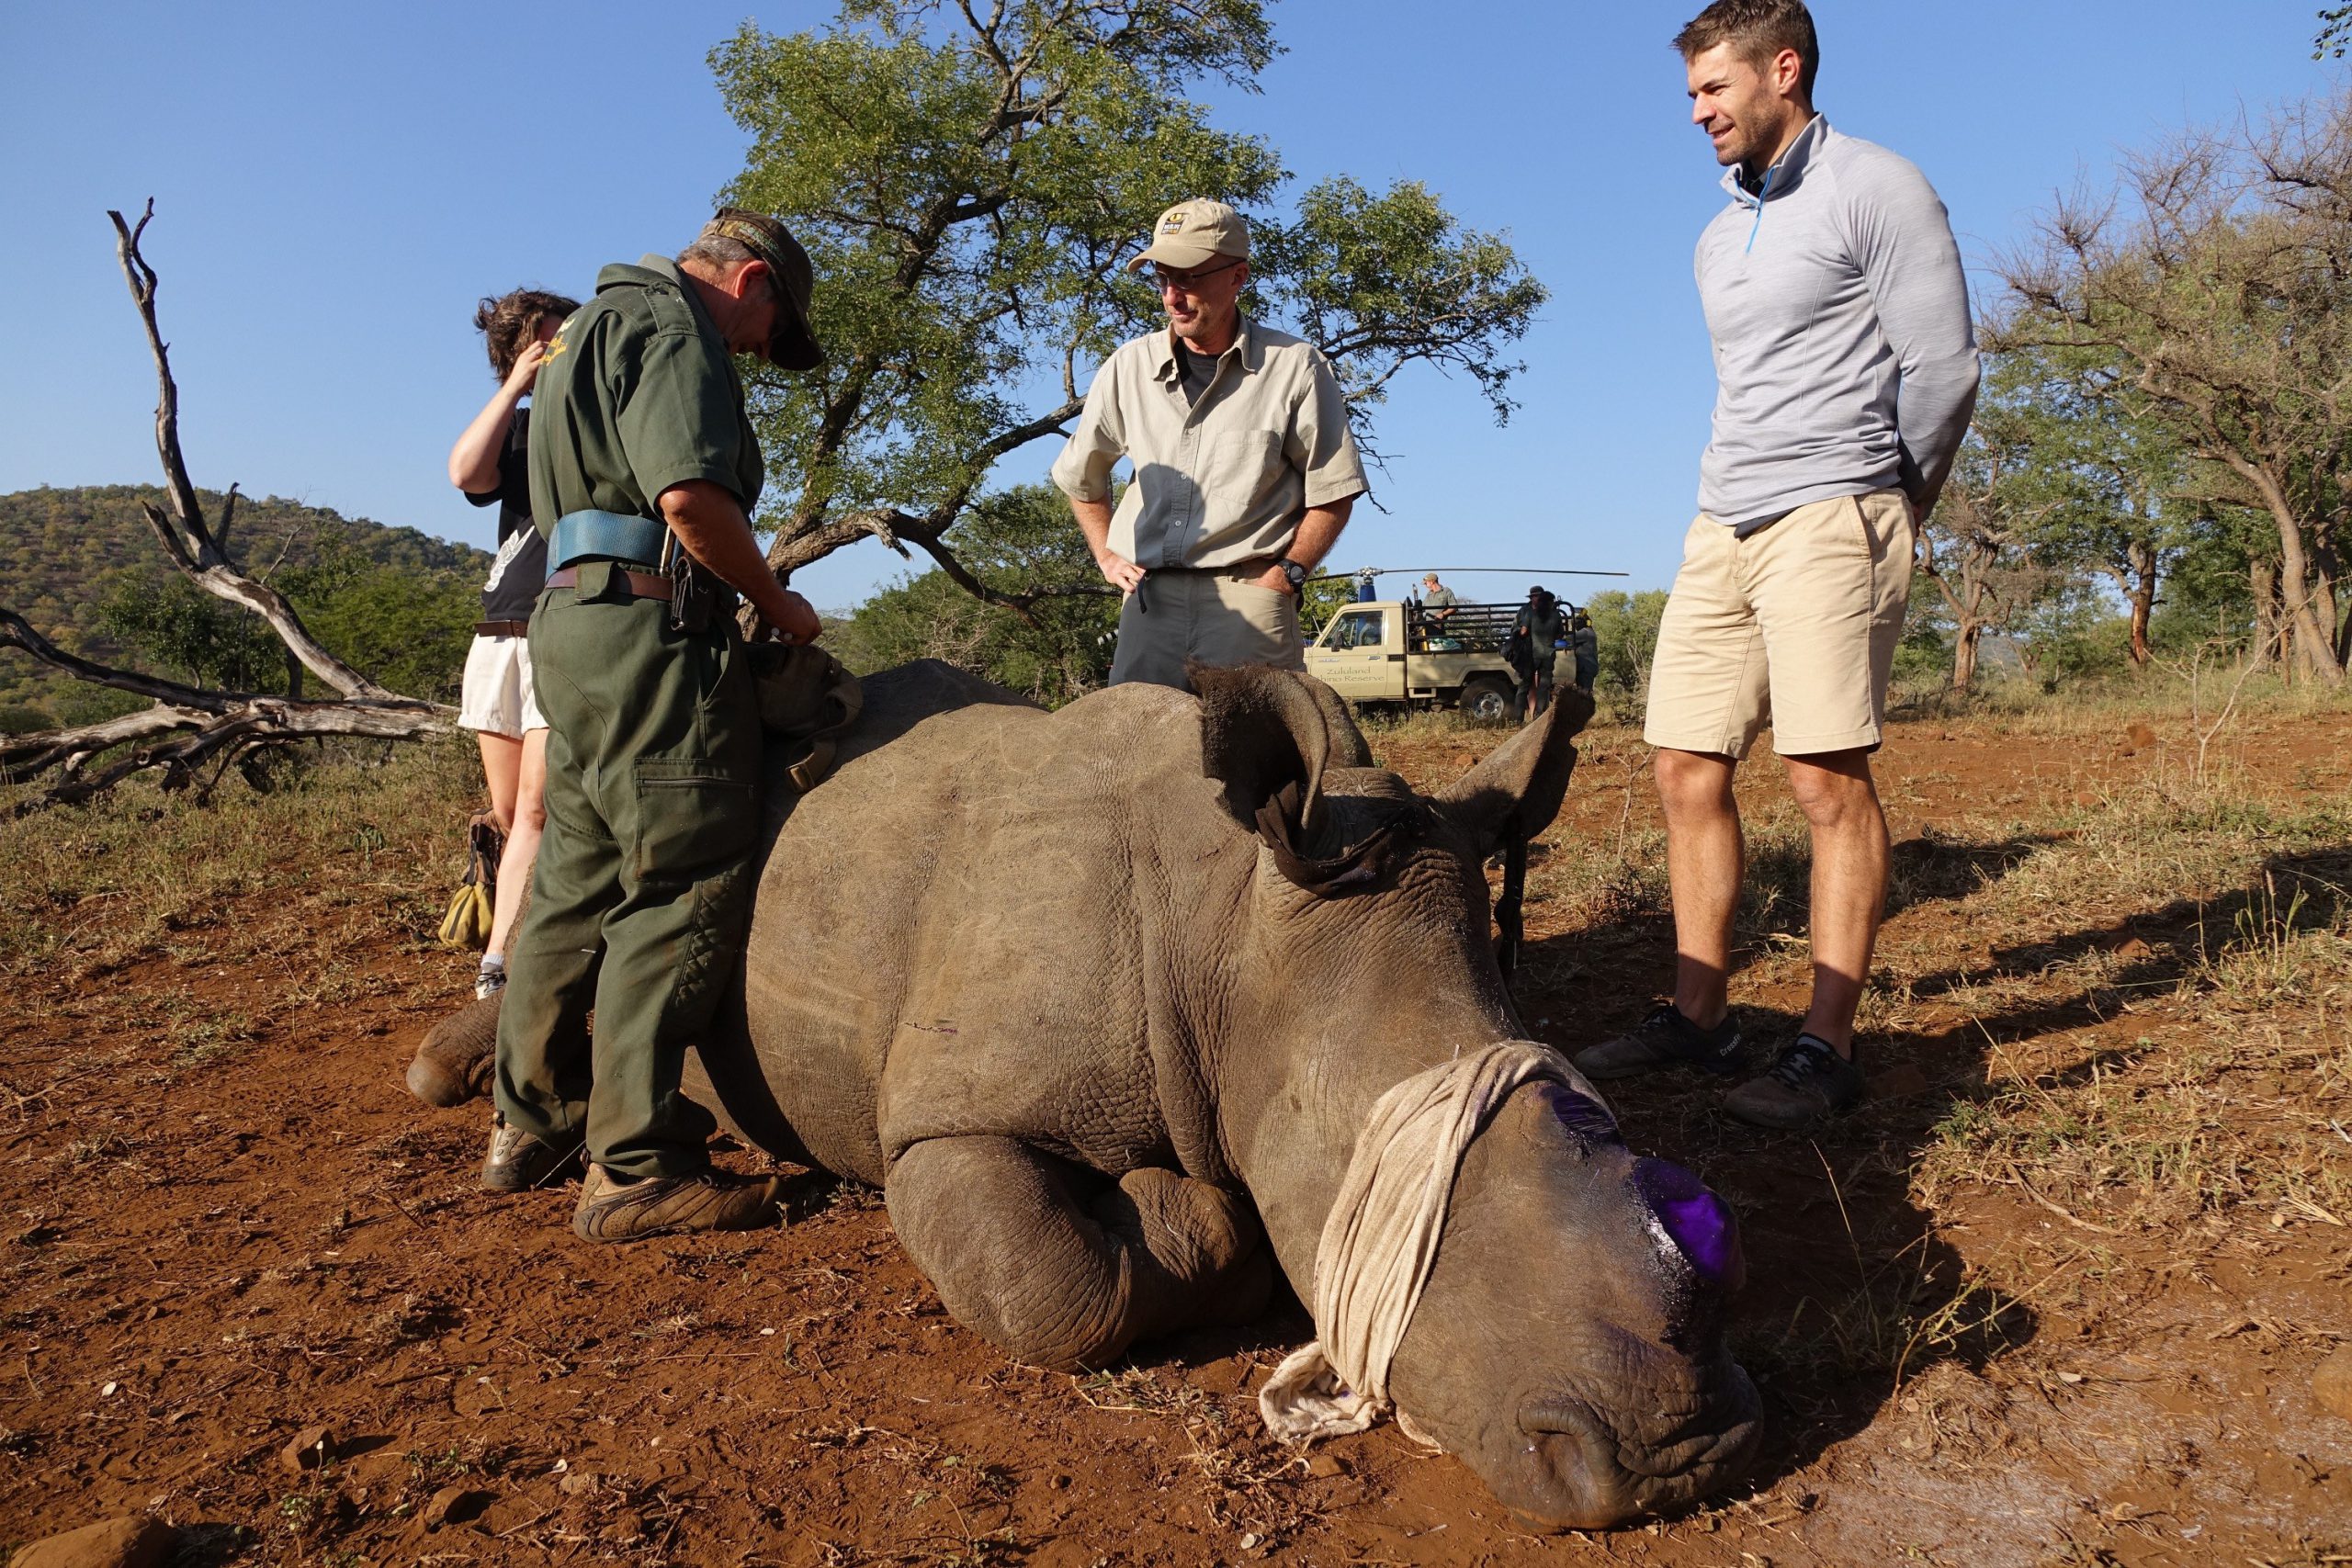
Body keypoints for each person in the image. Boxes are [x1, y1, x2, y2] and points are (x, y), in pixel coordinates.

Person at [1574, 0, 1979, 1132]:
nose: (1697, 113)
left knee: (1822, 780)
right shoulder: (1718, 232)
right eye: (1692, 94)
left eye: (1713, 89)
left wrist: (1894, 496)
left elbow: (1942, 366)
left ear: (1781, 70)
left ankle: (1824, 1045)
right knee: (1683, 767)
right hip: (1722, 522)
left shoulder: (1876, 185)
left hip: (1833, 512)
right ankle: (1698, 1019)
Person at [485, 209, 828, 1241]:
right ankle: (636, 1164)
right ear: (753, 282)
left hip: (570, 625)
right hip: (651, 627)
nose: (759, 352)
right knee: (678, 874)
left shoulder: (586, 326)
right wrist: (781, 608)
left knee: (573, 875)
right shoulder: (677, 331)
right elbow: (688, 498)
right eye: (770, 330)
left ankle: (532, 1119)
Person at [1051, 199, 1367, 687]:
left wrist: (1287, 577)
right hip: (1149, 605)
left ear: (1237, 276)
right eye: (1163, 279)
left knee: (1260, 758)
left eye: (1191, 278)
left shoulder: (1295, 367)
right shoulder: (1127, 367)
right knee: (1132, 756)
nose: (1173, 297)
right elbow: (1080, 476)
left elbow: (1334, 489)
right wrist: (1107, 557)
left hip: (1251, 600)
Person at [447, 287, 578, 1003]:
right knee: (507, 813)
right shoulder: (520, 428)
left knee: (535, 810)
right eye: (547, 344)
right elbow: (465, 471)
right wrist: (516, 388)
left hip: (564, 633)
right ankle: (525, 923)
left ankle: (499, 964)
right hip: (500, 636)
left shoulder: (602, 424)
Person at [1511, 584, 1566, 720]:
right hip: (1548, 655)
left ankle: (1518, 718)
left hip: (1532, 654)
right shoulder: (1556, 616)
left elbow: (1522, 632)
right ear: (1550, 602)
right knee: (1544, 686)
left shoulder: (1530, 614)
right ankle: (1539, 716)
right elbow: (1560, 635)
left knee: (1524, 685)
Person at [1569, 605, 1600, 693]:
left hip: (1586, 668)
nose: (1576, 625)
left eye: (1577, 623)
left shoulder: (1584, 633)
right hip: (1588, 667)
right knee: (1585, 692)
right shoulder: (1590, 632)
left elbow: (1567, 639)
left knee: (1585, 692)